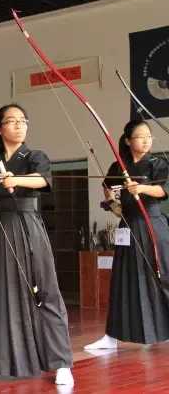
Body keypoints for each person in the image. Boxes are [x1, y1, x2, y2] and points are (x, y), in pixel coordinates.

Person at [0, 104, 73, 385]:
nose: (19, 125)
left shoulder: (35, 156)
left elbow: (42, 180)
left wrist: (15, 178)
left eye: (23, 120)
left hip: (27, 224)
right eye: (11, 121)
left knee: (44, 290)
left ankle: (61, 363)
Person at [85, 120, 169, 350]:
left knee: (160, 277)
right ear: (128, 140)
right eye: (140, 136)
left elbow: (163, 189)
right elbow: (107, 186)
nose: (146, 140)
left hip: (152, 224)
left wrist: (140, 188)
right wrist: (113, 201)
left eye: (148, 136)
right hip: (127, 225)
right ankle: (112, 336)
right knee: (123, 279)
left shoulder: (158, 163)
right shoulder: (119, 165)